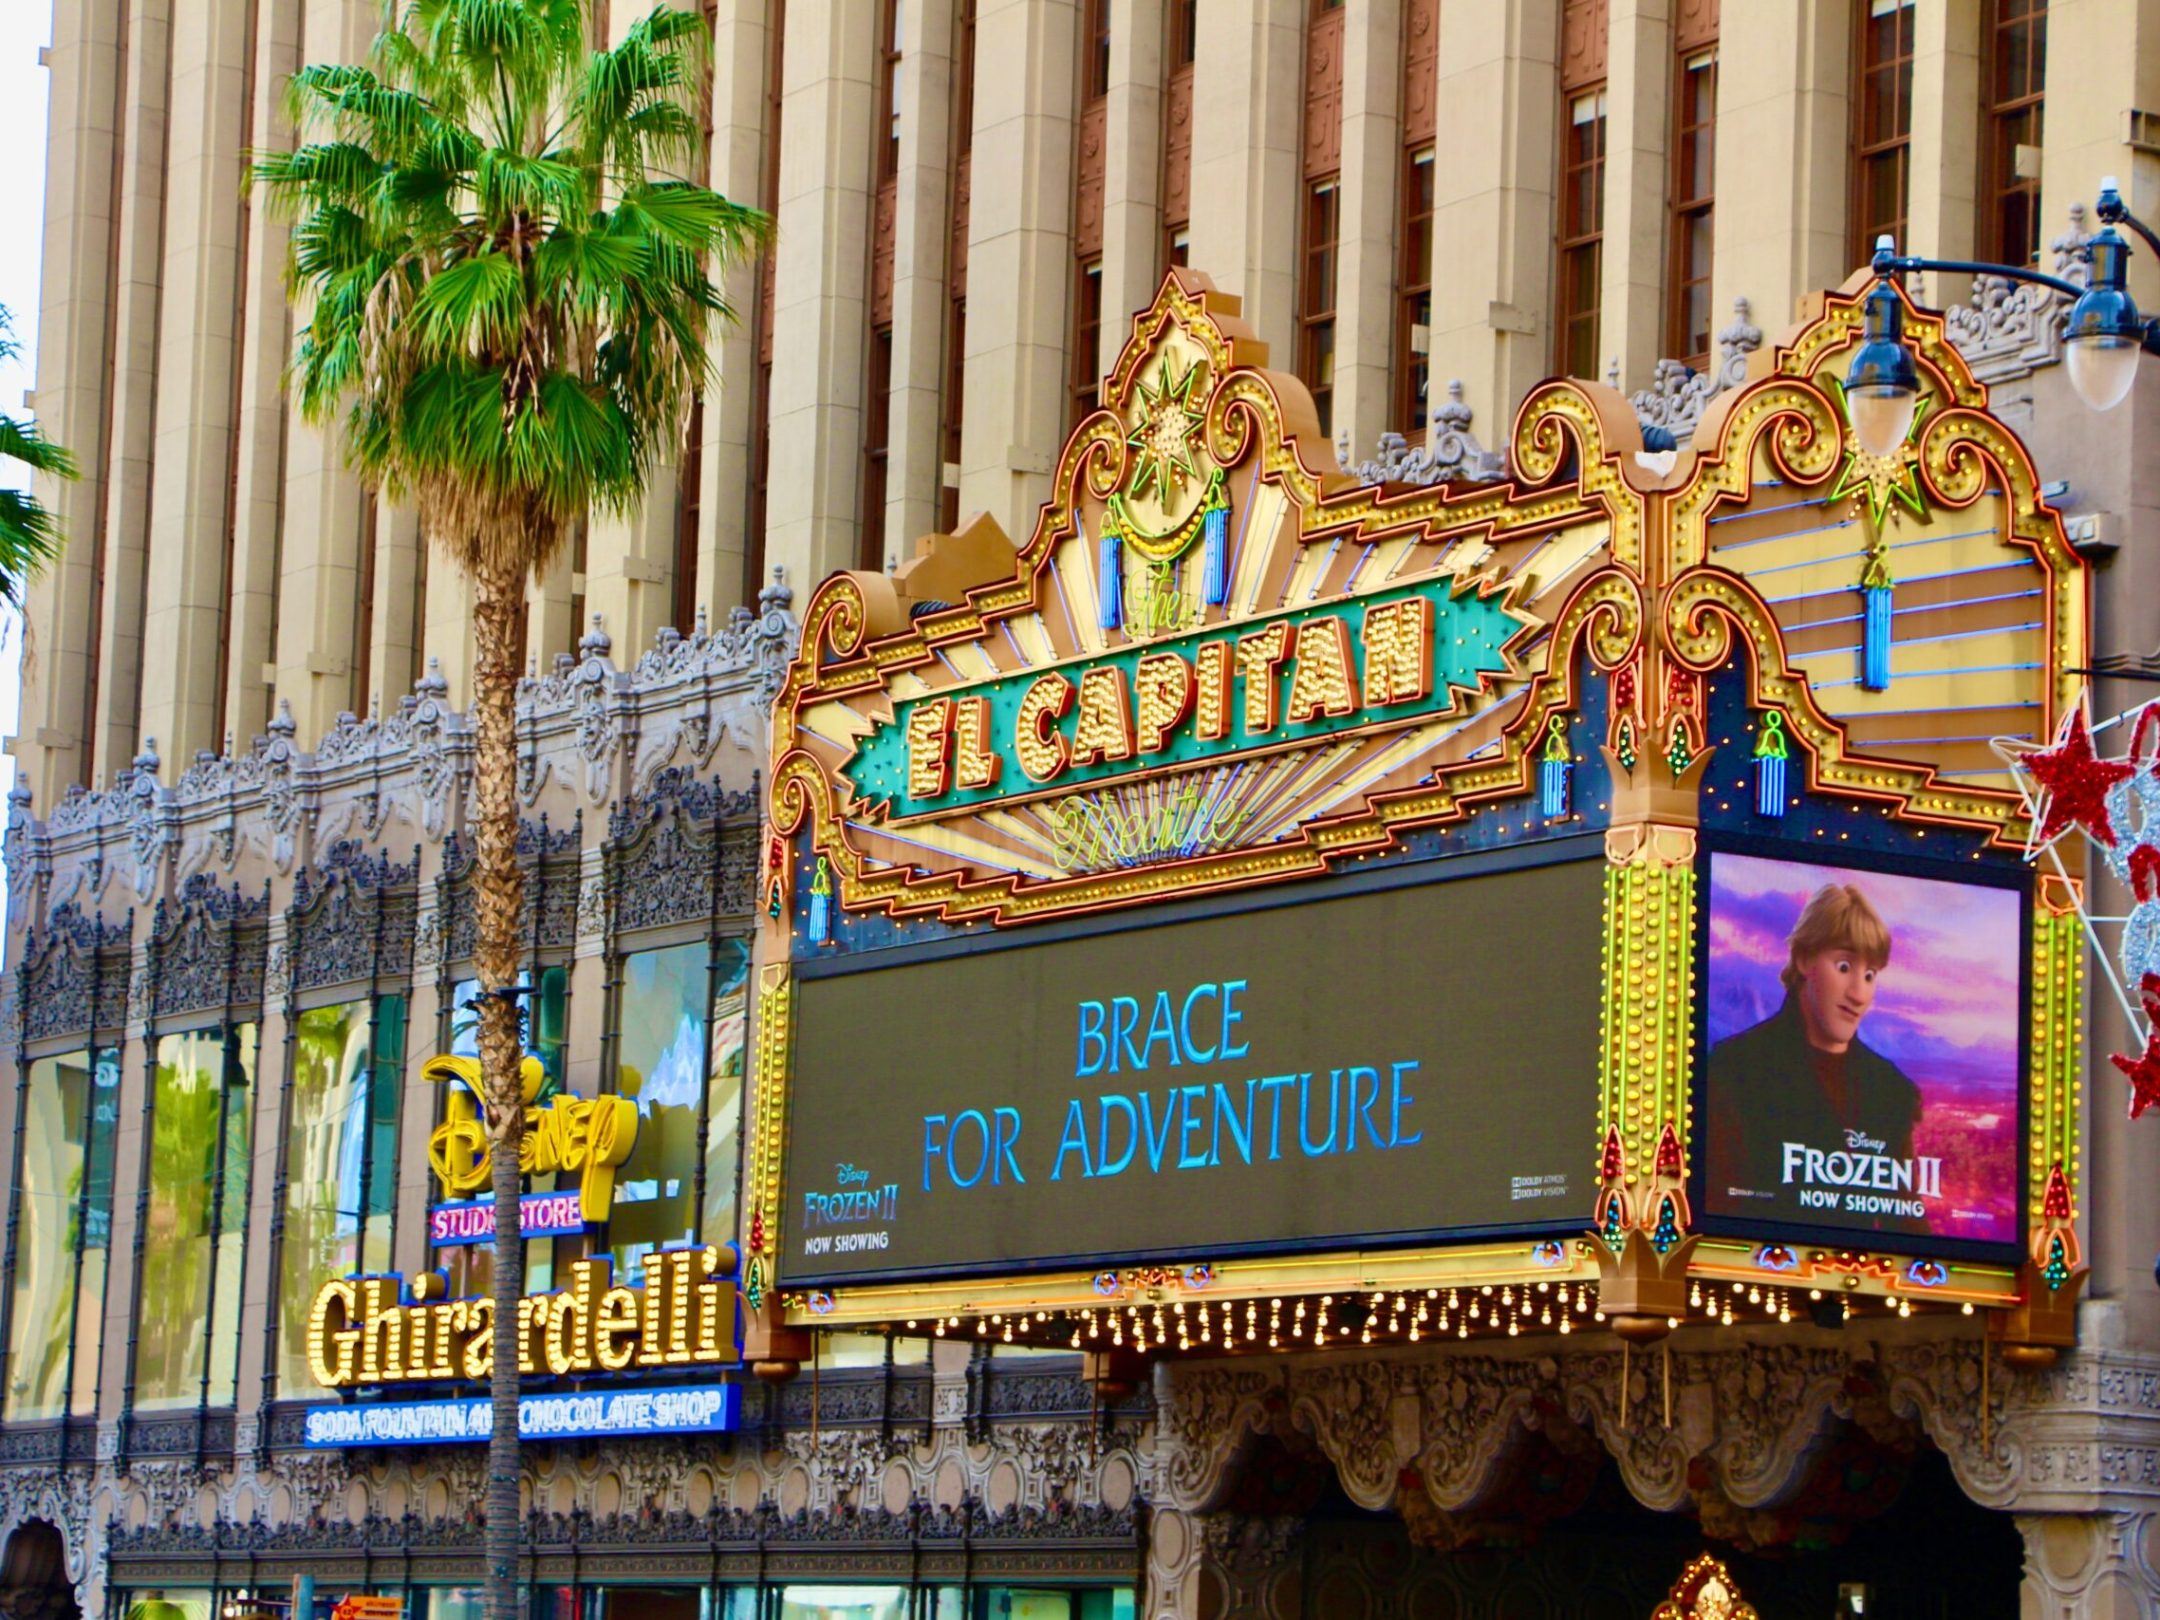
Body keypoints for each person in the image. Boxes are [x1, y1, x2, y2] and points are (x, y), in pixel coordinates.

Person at [1706, 882, 1925, 1233]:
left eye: (1869, 975)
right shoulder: (1735, 1069)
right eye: (1843, 966)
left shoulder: (1892, 1091)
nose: (1858, 993)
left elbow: (1909, 1226)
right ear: (1805, 958)